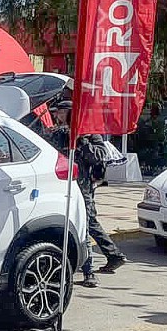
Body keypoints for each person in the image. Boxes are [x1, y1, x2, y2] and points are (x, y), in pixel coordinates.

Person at [45, 99, 127, 288]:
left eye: (61, 112)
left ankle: (89, 271)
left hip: (83, 187)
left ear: (70, 112)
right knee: (86, 223)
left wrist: (81, 141)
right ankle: (113, 255)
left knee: (85, 224)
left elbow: (100, 156)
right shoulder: (58, 134)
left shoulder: (90, 133)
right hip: (61, 186)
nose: (57, 115)